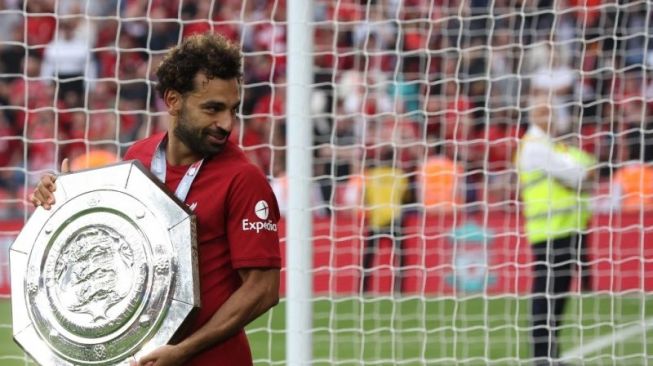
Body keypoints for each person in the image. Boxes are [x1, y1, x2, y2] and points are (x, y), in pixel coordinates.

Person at [29, 33, 281, 366]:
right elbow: (106, 240)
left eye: (233, 110)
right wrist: (61, 199)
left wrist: (184, 350)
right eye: (213, 109)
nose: (226, 123)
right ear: (174, 101)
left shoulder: (243, 178)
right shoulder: (139, 157)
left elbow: (262, 289)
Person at [516, 92, 593, 365]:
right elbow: (578, 173)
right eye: (542, 112)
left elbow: (583, 170)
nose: (549, 117)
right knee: (547, 294)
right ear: (533, 116)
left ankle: (550, 354)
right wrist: (578, 176)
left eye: (550, 111)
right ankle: (542, 356)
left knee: (556, 295)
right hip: (549, 231)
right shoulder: (536, 146)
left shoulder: (548, 145)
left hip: (563, 229)